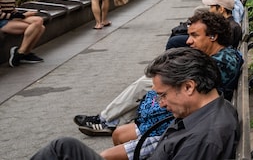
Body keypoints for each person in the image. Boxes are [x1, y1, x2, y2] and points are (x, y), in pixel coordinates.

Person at [38, 47, 239, 160]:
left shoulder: (204, 138)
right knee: (65, 146)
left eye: (163, 95)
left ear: (188, 87)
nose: (160, 104)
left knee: (60, 148)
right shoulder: (208, 112)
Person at [75, 12, 242, 143]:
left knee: (145, 86)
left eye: (195, 35)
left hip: (180, 122)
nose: (189, 41)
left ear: (213, 36)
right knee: (147, 86)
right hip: (182, 118)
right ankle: (107, 120)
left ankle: (106, 120)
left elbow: (191, 95)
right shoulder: (221, 56)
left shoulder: (219, 63)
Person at [0, 0, 46, 66]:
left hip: (10, 18)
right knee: (38, 27)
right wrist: (22, 16)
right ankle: (21, 53)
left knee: (39, 22)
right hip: (2, 21)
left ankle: (23, 52)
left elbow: (11, 9)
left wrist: (20, 15)